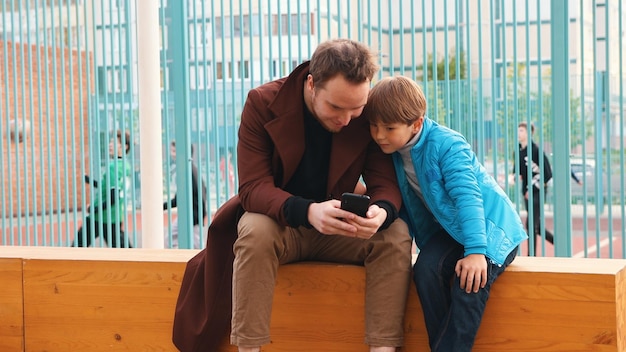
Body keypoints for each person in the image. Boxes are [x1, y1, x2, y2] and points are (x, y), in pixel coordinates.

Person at [172, 39, 413, 352]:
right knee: (254, 229)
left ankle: (383, 349)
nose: (346, 119)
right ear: (312, 84)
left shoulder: (364, 112)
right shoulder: (262, 102)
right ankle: (249, 348)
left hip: (340, 229)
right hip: (280, 225)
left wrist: (381, 211)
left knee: (394, 233)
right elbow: (252, 187)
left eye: (356, 109)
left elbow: (385, 183)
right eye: (336, 107)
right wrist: (309, 211)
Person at [364, 76, 527, 352]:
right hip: (451, 232)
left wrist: (476, 252)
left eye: (389, 128)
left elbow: (468, 198)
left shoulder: (447, 145)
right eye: (374, 126)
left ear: (416, 123)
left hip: (490, 229)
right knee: (426, 270)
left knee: (470, 284)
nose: (379, 135)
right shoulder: (389, 150)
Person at [73, 130, 133, 248]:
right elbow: (108, 187)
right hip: (115, 216)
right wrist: (89, 180)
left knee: (77, 247)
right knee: (123, 250)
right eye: (110, 142)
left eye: (114, 142)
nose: (110, 144)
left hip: (101, 217)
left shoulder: (113, 166)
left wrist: (94, 208)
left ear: (124, 146)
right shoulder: (125, 165)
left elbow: (113, 196)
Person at [513, 122, 554, 256]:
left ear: (529, 133)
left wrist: (532, 188)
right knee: (536, 225)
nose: (519, 133)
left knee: (531, 224)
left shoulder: (536, 150)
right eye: (518, 131)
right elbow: (518, 174)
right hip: (526, 193)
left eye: (522, 131)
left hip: (537, 192)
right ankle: (558, 242)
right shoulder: (518, 151)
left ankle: (532, 255)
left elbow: (547, 174)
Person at [163, 141, 207, 249]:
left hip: (192, 215)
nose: (172, 154)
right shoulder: (192, 169)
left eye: (174, 151)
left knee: (172, 239)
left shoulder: (186, 171)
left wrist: (162, 206)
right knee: (191, 243)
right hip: (194, 214)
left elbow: (179, 199)